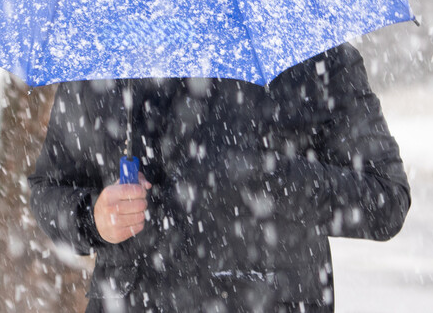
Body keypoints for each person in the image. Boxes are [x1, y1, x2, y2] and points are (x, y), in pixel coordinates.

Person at [29, 43, 410, 312]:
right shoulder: (109, 56)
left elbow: (385, 199)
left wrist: (272, 179)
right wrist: (92, 217)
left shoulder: (314, 59)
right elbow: (49, 188)